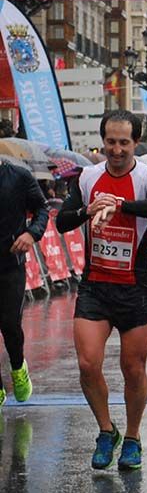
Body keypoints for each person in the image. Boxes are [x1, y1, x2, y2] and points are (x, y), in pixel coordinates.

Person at [56, 110, 147, 470]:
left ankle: (133, 437)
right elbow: (62, 221)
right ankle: (107, 430)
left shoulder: (146, 176)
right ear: (102, 141)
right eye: (111, 142)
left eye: (124, 142)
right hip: (96, 286)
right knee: (88, 364)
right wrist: (88, 211)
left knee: (132, 368)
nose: (117, 150)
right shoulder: (89, 177)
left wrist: (121, 206)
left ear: (135, 142)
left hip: (136, 288)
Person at [0, 161, 49, 407]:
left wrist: (31, 233)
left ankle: (18, 366)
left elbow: (42, 209)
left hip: (10, 265)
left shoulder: (18, 176)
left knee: (9, 325)